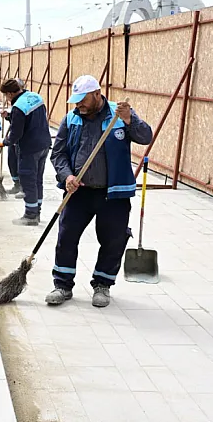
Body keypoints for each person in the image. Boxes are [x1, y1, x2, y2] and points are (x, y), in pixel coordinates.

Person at [47, 75, 152, 308]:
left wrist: (130, 120)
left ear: (97, 94)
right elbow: (58, 154)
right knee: (66, 237)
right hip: (78, 191)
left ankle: (102, 284)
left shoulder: (119, 114)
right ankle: (62, 285)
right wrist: (67, 176)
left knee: (113, 240)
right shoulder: (71, 119)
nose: (79, 105)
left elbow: (146, 137)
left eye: (83, 100)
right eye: (76, 100)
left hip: (113, 193)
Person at [0, 78, 51, 226]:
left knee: (28, 180)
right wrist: (10, 117)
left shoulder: (18, 107)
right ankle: (37, 211)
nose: (7, 99)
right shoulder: (35, 97)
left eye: (6, 95)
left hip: (30, 148)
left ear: (10, 93)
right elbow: (30, 120)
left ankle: (30, 215)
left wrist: (5, 142)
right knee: (37, 180)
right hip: (44, 145)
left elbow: (16, 134)